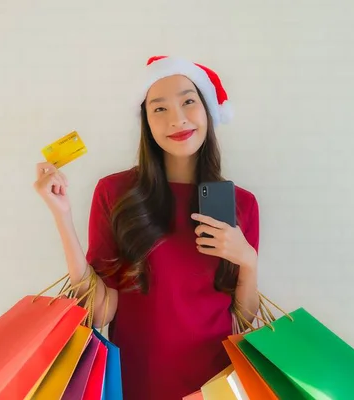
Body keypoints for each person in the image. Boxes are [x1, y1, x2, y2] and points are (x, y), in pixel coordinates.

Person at [33, 55, 260, 400]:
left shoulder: (242, 204)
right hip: (136, 385)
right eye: (159, 109)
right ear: (147, 124)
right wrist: (61, 217)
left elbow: (242, 321)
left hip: (214, 390)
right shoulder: (116, 193)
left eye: (188, 102)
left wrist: (248, 260)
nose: (177, 119)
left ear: (208, 111)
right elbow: (99, 312)